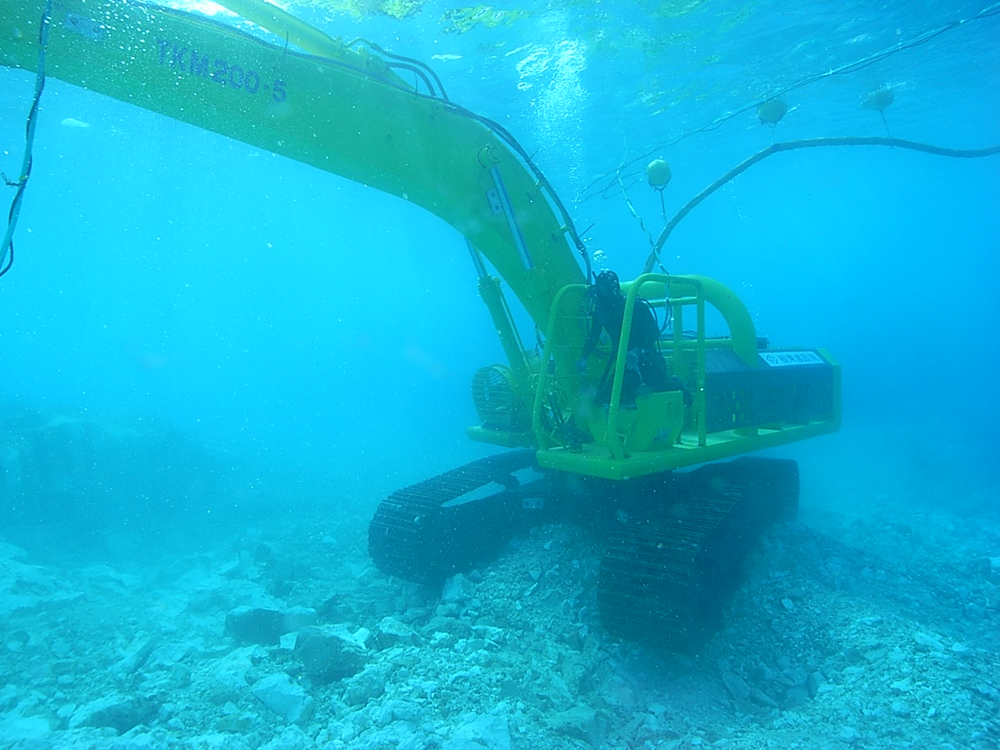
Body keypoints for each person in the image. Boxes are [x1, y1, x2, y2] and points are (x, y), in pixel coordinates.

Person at [576, 270, 668, 403]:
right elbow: (594, 335)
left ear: (613, 289)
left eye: (603, 289)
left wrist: (637, 351)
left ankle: (674, 384)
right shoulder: (601, 311)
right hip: (624, 361)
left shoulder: (635, 306)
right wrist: (584, 357)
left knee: (643, 392)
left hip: (646, 360)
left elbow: (654, 332)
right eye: (598, 288)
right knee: (606, 399)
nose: (599, 293)